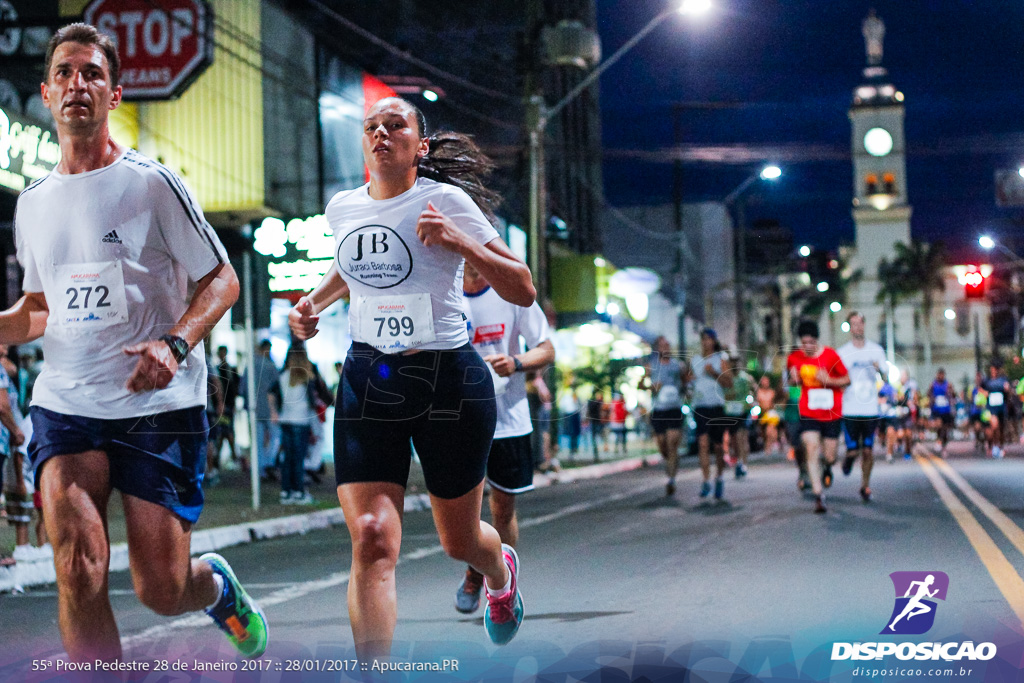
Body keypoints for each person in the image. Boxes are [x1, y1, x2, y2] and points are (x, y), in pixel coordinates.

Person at [1, 24, 266, 661]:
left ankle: (216, 588)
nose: (77, 85)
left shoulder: (151, 184)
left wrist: (174, 345)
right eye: (64, 72)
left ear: (115, 93)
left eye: (92, 73)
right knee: (78, 564)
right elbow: (39, 310)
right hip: (67, 405)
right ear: (45, 91)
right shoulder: (33, 203)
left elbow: (222, 278)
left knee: (162, 588)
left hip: (158, 408)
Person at [288, 96, 534, 657]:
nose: (381, 133)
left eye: (395, 125)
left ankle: (499, 573)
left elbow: (523, 287)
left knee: (460, 540)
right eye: (371, 126)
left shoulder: (446, 200)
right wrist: (313, 304)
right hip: (369, 378)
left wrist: (460, 241)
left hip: (447, 381)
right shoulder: (342, 208)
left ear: (419, 147)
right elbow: (357, 266)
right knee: (372, 540)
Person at [454, 260, 554, 615]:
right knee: (464, 511)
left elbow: (546, 348)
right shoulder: (445, 290)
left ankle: (499, 582)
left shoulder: (509, 292)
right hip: (459, 418)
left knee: (502, 507)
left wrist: (516, 362)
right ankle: (475, 569)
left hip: (508, 419)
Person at [786, 320, 850, 514]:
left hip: (831, 412)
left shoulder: (831, 355)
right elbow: (791, 383)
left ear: (817, 340)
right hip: (809, 411)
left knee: (830, 456)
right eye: (804, 343)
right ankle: (818, 494)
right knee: (811, 446)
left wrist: (829, 380)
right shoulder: (794, 358)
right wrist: (793, 380)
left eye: (811, 343)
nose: (807, 347)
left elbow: (847, 380)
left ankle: (827, 468)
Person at [837, 312, 886, 502]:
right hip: (849, 408)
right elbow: (837, 381)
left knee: (867, 450)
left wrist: (879, 369)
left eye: (860, 323)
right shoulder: (842, 352)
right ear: (849, 327)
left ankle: (865, 485)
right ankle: (848, 460)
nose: (857, 327)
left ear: (864, 325)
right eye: (853, 324)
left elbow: (887, 377)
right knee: (852, 450)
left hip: (870, 409)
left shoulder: (876, 350)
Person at [688, 328, 733, 501]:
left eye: (709, 339)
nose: (706, 342)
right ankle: (706, 480)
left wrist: (714, 374)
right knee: (702, 443)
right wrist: (688, 383)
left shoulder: (720, 360)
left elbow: (729, 383)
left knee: (718, 446)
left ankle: (719, 477)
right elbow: (689, 380)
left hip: (716, 406)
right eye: (703, 339)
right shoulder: (695, 360)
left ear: (714, 341)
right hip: (700, 406)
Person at [641, 335, 686, 496]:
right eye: (662, 345)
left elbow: (684, 382)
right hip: (659, 410)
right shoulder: (651, 366)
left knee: (672, 443)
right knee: (662, 445)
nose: (665, 348)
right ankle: (671, 461)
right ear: (657, 348)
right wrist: (651, 387)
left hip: (674, 408)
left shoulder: (677, 365)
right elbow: (640, 384)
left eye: (667, 345)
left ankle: (671, 479)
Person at [277, 344, 321, 505]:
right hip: (301, 421)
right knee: (299, 458)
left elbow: (273, 393)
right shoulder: (306, 377)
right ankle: (299, 491)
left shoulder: (283, 375)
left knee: (288, 457)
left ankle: (286, 491)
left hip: (285, 420)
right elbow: (312, 402)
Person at [240, 339, 281, 481]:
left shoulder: (250, 366)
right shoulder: (270, 365)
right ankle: (268, 462)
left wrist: (247, 404)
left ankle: (260, 468)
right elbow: (277, 388)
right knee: (276, 436)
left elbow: (242, 387)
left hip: (254, 408)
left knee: (257, 440)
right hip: (269, 408)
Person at [722, 353, 753, 478]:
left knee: (742, 437)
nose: (734, 364)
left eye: (736, 361)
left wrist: (750, 403)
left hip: (742, 411)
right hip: (729, 412)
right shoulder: (725, 378)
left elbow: (751, 393)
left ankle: (743, 463)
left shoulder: (745, 378)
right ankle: (736, 460)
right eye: (732, 361)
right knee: (732, 439)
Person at [213, 345, 241, 465]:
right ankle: (228, 457)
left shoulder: (230, 370)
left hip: (227, 405)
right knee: (224, 432)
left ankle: (224, 457)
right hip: (221, 406)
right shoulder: (217, 369)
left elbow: (235, 388)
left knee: (227, 431)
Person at [983, 359, 1011, 459]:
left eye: (996, 369)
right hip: (991, 408)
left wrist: (1008, 389)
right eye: (993, 369)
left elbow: (1008, 392)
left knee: (1002, 429)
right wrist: (984, 393)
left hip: (1001, 407)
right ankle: (994, 445)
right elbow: (980, 389)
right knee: (994, 426)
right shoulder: (987, 380)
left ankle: (1000, 446)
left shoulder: (1004, 379)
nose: (994, 371)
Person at [928, 368, 955, 456]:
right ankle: (939, 441)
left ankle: (943, 445)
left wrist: (950, 393)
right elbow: (929, 394)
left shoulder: (948, 384)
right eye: (939, 374)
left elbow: (953, 395)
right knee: (938, 425)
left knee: (945, 430)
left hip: (946, 410)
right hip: (937, 410)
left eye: (942, 375)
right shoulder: (933, 384)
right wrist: (932, 400)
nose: (940, 376)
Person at [755, 375, 781, 455]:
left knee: (770, 430)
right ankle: (770, 445)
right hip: (762, 414)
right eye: (763, 381)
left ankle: (770, 446)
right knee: (764, 433)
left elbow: (775, 402)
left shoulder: (772, 392)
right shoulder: (759, 392)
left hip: (770, 414)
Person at [585, 390, 607, 460]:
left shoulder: (590, 402)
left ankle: (596, 452)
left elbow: (588, 412)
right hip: (598, 422)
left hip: (594, 422)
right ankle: (597, 452)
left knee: (594, 437)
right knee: (600, 436)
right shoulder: (599, 402)